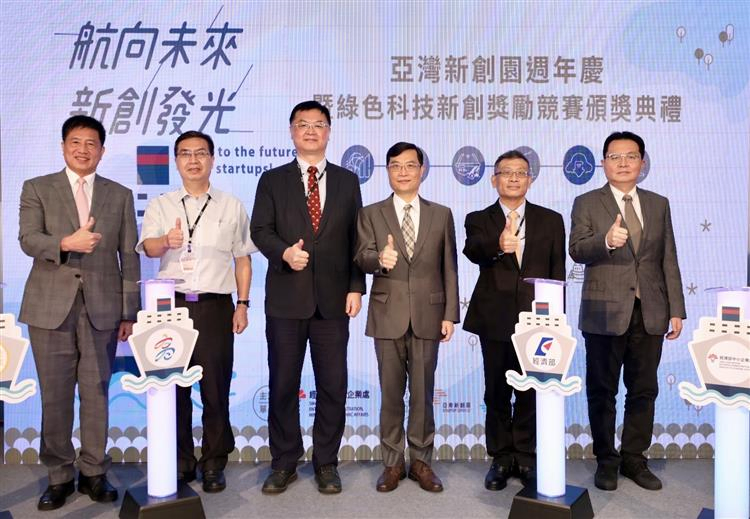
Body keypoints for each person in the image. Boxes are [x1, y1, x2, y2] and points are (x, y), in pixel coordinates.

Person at [18, 115, 141, 511]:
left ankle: (93, 472)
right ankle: (58, 475)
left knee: (96, 393)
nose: (83, 149)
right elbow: (28, 239)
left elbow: (129, 256)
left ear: (102, 151)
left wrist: (129, 312)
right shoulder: (37, 187)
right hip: (49, 308)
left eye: (91, 143)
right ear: (63, 147)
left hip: (103, 309)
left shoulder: (119, 195)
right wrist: (66, 243)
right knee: (55, 396)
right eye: (76, 142)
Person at [250, 100, 365, 495]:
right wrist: (284, 252)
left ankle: (326, 462)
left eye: (318, 124)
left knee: (333, 384)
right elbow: (260, 230)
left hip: (333, 303)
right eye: (303, 124)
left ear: (328, 131)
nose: (311, 131)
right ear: (292, 131)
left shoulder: (348, 181)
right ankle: (284, 462)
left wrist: (356, 286)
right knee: (283, 383)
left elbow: (356, 238)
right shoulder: (272, 180)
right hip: (286, 299)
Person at [137, 130, 255, 493]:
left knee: (215, 389)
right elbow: (148, 248)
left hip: (215, 307)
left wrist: (243, 304)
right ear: (176, 161)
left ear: (212, 159)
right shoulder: (161, 205)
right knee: (173, 389)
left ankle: (214, 462)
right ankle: (180, 461)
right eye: (185, 153)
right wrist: (165, 241)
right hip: (170, 307)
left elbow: (243, 259)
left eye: (200, 153)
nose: (193, 160)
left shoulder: (231, 205)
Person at [569, 131, 685, 491]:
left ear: (642, 163)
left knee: (643, 389)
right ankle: (606, 459)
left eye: (630, 156)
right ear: (603, 163)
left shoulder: (658, 203)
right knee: (601, 390)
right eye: (615, 156)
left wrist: (676, 308)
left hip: (650, 310)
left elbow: (668, 258)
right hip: (604, 311)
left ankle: (634, 458)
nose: (623, 163)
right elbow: (577, 249)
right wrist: (606, 241)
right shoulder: (586, 202)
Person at [355, 142, 459, 493]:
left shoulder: (441, 214)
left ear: (422, 170)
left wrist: (450, 314)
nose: (403, 172)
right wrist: (378, 260)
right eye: (395, 165)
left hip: (430, 313)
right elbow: (361, 256)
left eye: (410, 165)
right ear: (387, 171)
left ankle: (421, 462)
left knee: (423, 394)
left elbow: (449, 267)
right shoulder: (371, 213)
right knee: (390, 393)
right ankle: (392, 463)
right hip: (387, 313)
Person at [463, 149, 566, 491]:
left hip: (539, 322)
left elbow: (557, 272)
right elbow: (473, 250)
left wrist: (556, 321)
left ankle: (525, 456)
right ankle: (501, 457)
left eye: (520, 172)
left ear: (530, 180)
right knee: (496, 391)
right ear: (494, 180)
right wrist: (499, 244)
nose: (513, 178)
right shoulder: (479, 218)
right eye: (506, 172)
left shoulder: (551, 220)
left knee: (531, 391)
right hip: (494, 318)